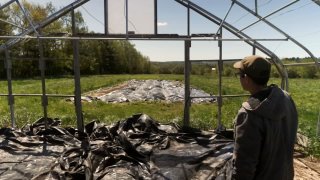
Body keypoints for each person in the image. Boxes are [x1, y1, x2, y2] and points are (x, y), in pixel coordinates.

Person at [231, 55, 298, 180]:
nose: (239, 78)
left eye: (239, 74)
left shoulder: (249, 114)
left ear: (246, 78)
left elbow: (244, 166)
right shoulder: (286, 98)